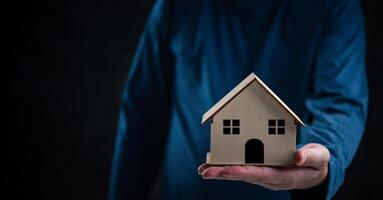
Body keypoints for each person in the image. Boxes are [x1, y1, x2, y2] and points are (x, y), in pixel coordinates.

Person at [109, 0, 368, 199]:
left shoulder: (334, 6)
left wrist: (323, 155)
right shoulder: (177, 5)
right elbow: (141, 115)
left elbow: (340, 103)